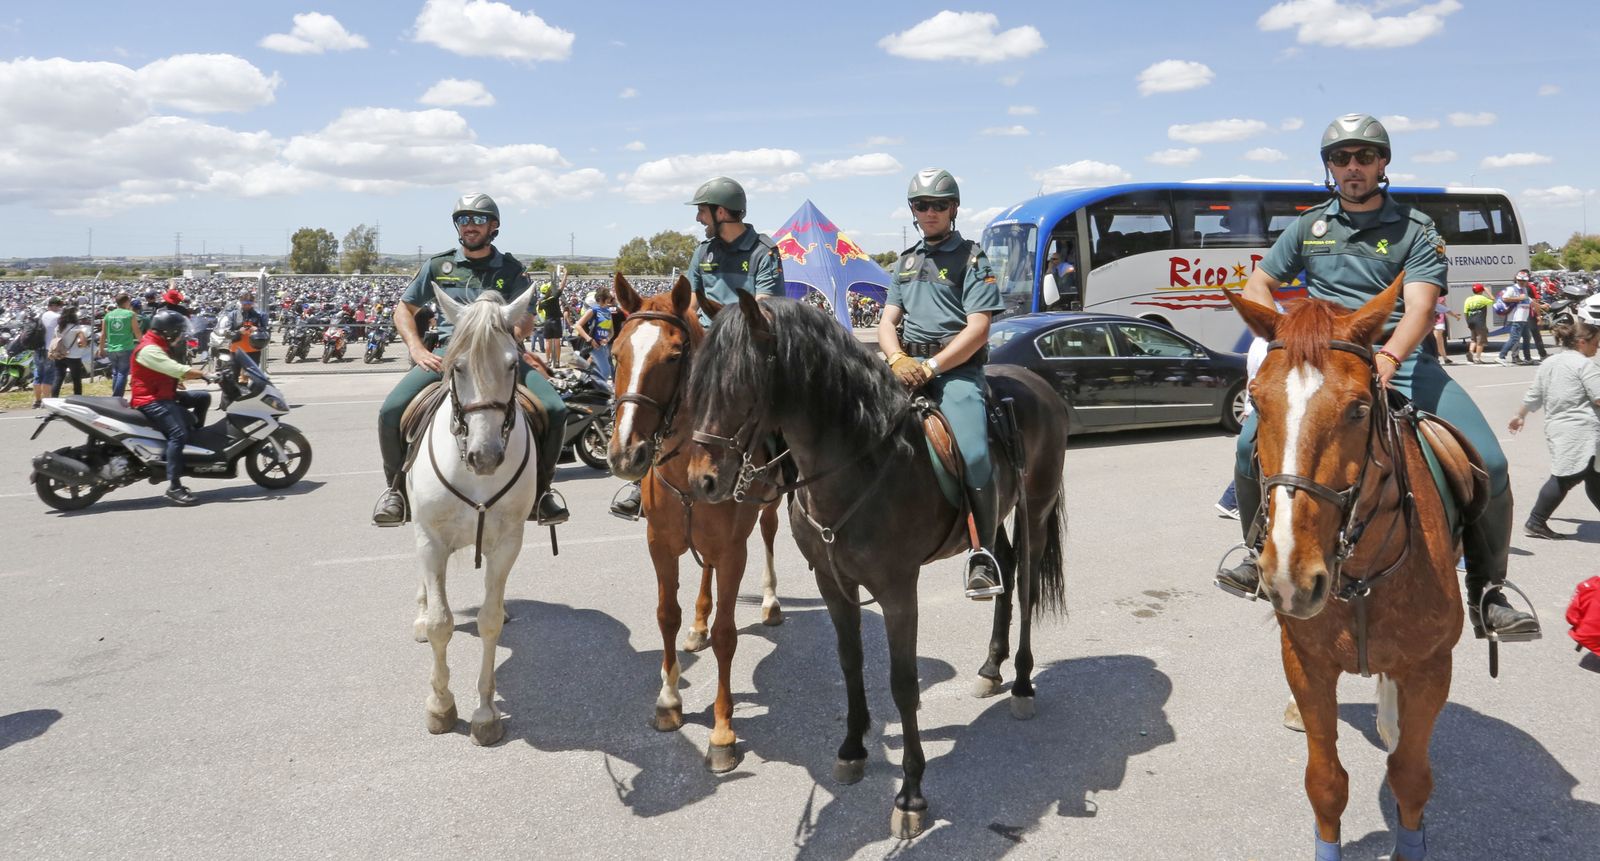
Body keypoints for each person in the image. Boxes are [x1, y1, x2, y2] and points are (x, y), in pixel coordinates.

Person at [1216, 113, 1539, 644]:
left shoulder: (1416, 228)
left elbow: (1421, 307)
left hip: (1399, 358)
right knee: (1248, 443)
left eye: (1364, 156)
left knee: (1491, 461)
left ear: (1382, 162)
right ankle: (1257, 557)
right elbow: (1259, 282)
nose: (1353, 166)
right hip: (1328, 364)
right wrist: (1285, 335)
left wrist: (1388, 356)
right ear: (1329, 167)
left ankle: (1487, 591)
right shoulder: (1309, 227)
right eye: (1340, 158)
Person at [372, 192, 570, 528]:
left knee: (555, 408)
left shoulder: (511, 269)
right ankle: (395, 492)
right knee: (390, 411)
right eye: (463, 219)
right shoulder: (439, 265)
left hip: (500, 353)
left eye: (478, 219)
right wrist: (417, 349)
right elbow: (404, 309)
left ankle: (542, 491)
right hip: (449, 354)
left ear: (493, 226)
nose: (469, 225)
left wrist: (505, 338)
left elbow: (526, 318)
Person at [610, 176, 786, 520]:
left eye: (703, 211)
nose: (698, 218)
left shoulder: (763, 251)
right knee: (657, 391)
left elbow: (764, 305)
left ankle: (783, 470)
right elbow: (688, 303)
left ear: (721, 212)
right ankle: (642, 480)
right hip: (702, 343)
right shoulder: (703, 251)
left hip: (744, 344)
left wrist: (724, 328)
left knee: (779, 399)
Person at [879, 168, 1006, 600]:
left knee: (973, 452)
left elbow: (979, 328)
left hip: (955, 371)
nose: (929, 212)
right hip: (905, 367)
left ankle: (983, 553)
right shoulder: (905, 261)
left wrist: (931, 367)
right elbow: (887, 322)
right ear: (913, 211)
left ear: (953, 209)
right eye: (921, 205)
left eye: (938, 205)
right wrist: (896, 358)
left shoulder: (973, 258)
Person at [1509, 300, 1600, 540]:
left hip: (1559, 428)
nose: (1597, 347)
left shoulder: (1549, 362)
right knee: (1566, 477)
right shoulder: (1585, 365)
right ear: (1582, 342)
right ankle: (1536, 521)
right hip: (1582, 431)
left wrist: (1520, 415)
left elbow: (1534, 394)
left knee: (1594, 476)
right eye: (1595, 343)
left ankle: (1536, 521)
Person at [130, 308, 212, 506]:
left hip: (164, 394)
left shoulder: (158, 344)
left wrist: (176, 381)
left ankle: (193, 442)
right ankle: (174, 486)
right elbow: (175, 369)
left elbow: (164, 371)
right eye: (178, 331)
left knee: (202, 397)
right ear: (168, 332)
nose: (180, 335)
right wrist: (204, 374)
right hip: (150, 400)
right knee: (178, 434)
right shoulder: (150, 348)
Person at [99, 292, 141, 398]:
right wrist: (143, 343)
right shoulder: (130, 314)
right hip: (126, 348)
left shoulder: (108, 315)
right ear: (126, 302)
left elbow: (103, 334)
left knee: (116, 373)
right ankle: (117, 398)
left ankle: (115, 397)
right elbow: (137, 332)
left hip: (111, 348)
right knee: (122, 373)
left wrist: (101, 349)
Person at [573, 285, 616, 378]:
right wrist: (590, 339)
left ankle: (585, 383)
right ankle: (599, 387)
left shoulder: (608, 312)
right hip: (594, 345)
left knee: (596, 370)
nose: (609, 300)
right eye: (608, 297)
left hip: (604, 346)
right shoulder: (593, 310)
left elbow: (611, 331)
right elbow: (578, 325)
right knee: (606, 371)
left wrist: (607, 339)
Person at [49, 305, 91, 398]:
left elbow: (55, 340)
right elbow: (83, 343)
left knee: (58, 377)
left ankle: (53, 398)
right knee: (76, 379)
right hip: (74, 357)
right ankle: (78, 398)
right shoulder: (77, 328)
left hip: (60, 355)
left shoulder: (58, 328)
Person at [219, 291, 268, 368]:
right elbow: (227, 333)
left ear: (253, 303)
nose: (247, 306)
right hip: (236, 349)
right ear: (240, 303)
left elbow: (266, 332)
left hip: (254, 349)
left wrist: (257, 329)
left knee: (252, 373)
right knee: (234, 373)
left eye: (249, 304)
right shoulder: (233, 314)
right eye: (244, 304)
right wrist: (239, 332)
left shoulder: (260, 315)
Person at [31, 296, 63, 409]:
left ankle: (37, 400)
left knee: (38, 374)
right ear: (54, 305)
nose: (60, 308)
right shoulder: (58, 317)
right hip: (50, 349)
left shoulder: (41, 315)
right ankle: (46, 401)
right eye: (59, 305)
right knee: (48, 375)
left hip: (38, 348)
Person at [1496, 272, 1533, 365]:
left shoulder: (1524, 289)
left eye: (1524, 280)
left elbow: (1528, 301)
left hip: (1524, 318)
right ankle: (1501, 356)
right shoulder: (1512, 289)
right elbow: (1505, 298)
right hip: (1516, 318)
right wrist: (1518, 298)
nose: (1522, 282)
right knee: (1514, 338)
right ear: (1516, 279)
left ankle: (1528, 358)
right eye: (1520, 280)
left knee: (1527, 338)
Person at [539, 266, 568, 367]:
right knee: (557, 342)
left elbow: (539, 311)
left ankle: (548, 361)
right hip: (556, 321)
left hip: (547, 321)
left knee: (547, 342)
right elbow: (562, 285)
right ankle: (557, 362)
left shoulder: (542, 302)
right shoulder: (554, 297)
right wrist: (565, 274)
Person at [1463, 284, 1493, 363]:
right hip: (1479, 321)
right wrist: (1488, 292)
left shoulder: (1468, 299)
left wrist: (1468, 322)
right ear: (1481, 291)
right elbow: (1493, 300)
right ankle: (1477, 358)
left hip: (1470, 321)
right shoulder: (1482, 298)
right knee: (1480, 340)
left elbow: (1465, 312)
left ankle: (1470, 352)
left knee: (1473, 339)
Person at [1433, 292, 1460, 364]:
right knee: (1437, 340)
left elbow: (1445, 308)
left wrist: (1454, 315)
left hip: (1438, 320)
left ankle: (1442, 358)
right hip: (1431, 321)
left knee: (1438, 340)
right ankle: (1443, 358)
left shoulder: (1439, 297)